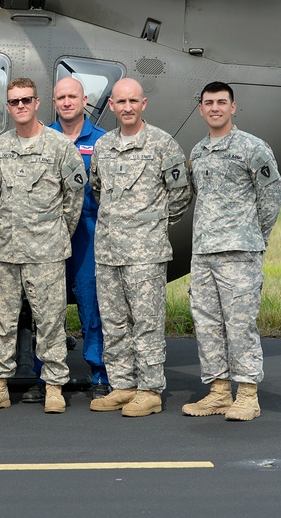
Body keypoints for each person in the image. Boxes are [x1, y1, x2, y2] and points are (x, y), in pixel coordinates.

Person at [0, 77, 85, 414]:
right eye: (14, 102)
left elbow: (74, 198)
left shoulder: (60, 146)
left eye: (26, 100)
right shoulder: (0, 146)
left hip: (47, 252)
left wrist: (53, 233)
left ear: (37, 103)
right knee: (4, 322)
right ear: (8, 107)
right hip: (8, 251)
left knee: (50, 320)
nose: (20, 106)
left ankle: (54, 386)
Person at [89, 78, 191, 417]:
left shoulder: (162, 144)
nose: (127, 107)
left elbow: (180, 195)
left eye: (133, 101)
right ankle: (123, 385)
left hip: (145, 254)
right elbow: (97, 189)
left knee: (146, 322)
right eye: (121, 102)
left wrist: (151, 226)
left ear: (143, 104)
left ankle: (149, 390)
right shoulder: (103, 146)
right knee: (114, 322)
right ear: (113, 106)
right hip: (108, 251)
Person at [183, 81, 281, 421]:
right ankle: (219, 392)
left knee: (240, 325)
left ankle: (248, 395)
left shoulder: (251, 148)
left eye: (221, 102)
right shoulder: (198, 152)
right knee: (207, 323)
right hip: (204, 253)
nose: (215, 108)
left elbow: (271, 199)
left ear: (233, 107)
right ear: (201, 108)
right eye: (208, 102)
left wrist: (254, 237)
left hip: (239, 252)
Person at [48, 76, 111, 398]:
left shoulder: (102, 142)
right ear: (54, 102)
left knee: (90, 303)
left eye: (73, 96)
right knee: (47, 307)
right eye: (61, 97)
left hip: (87, 231)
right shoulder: (42, 138)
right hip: (48, 231)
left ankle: (100, 372)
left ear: (85, 99)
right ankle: (45, 377)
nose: (67, 102)